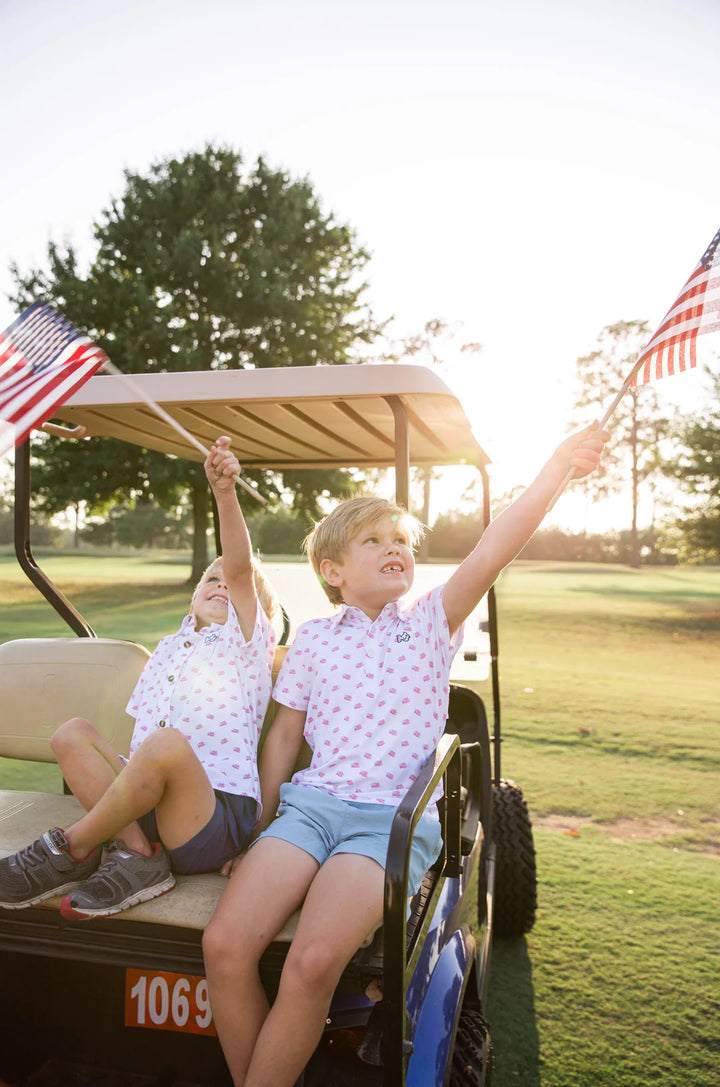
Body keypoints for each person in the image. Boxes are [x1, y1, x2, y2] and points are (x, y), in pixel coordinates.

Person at [201, 422, 610, 1087]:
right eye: (374, 540)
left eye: (402, 541)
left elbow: (493, 548)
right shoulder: (312, 639)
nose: (395, 548)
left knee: (310, 963)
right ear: (332, 570)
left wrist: (557, 468)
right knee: (222, 945)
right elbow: (282, 737)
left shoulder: (430, 621)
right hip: (309, 809)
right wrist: (259, 824)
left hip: (387, 820)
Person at [0, 437, 278, 921]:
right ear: (192, 597)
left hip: (211, 816)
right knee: (72, 734)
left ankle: (71, 847)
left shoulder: (247, 646)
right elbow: (139, 741)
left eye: (234, 586)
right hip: (146, 813)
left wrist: (225, 494)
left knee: (167, 744)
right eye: (209, 580)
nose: (221, 585)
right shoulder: (170, 649)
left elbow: (237, 565)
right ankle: (139, 858)